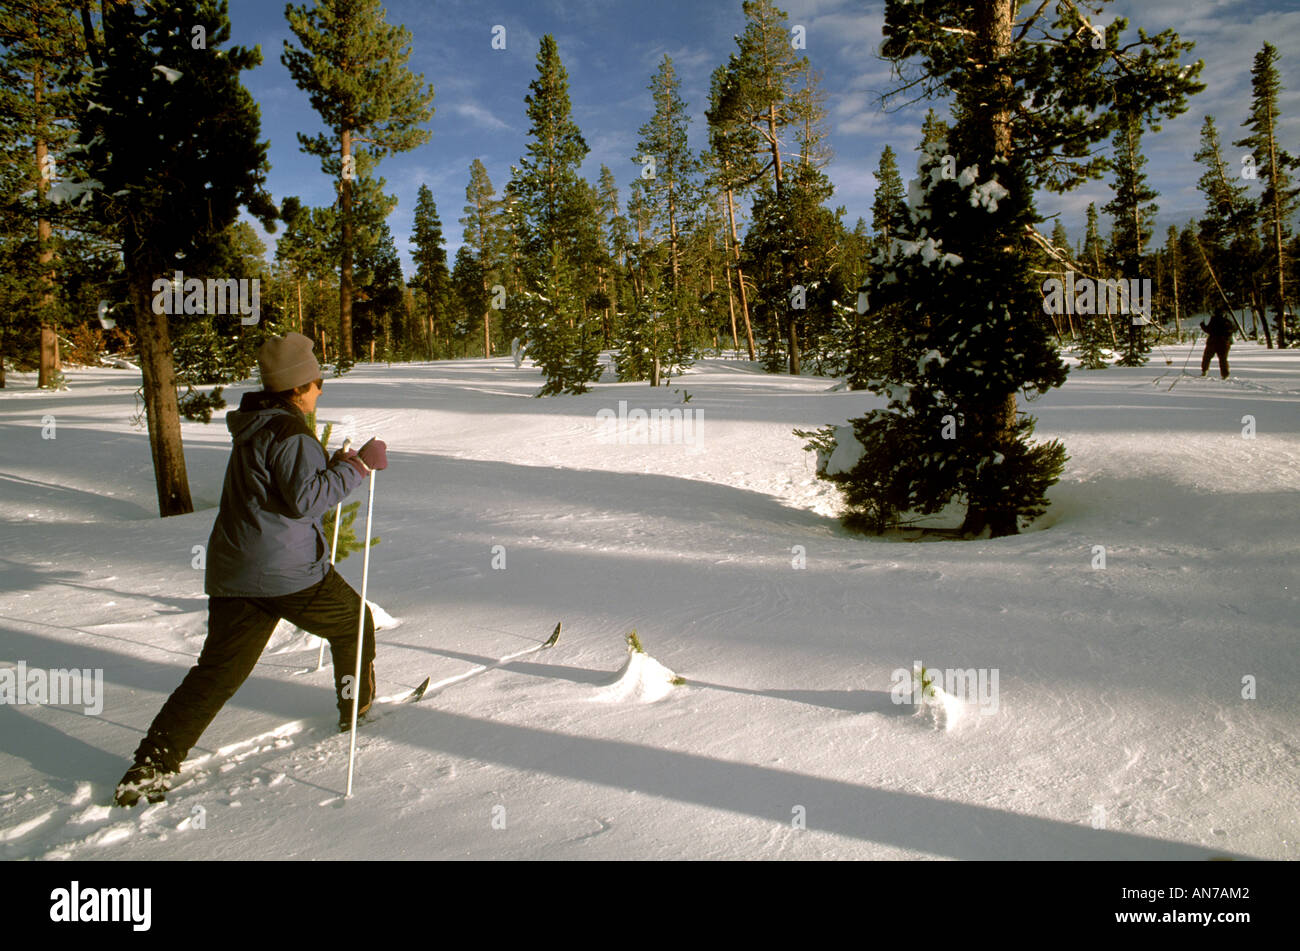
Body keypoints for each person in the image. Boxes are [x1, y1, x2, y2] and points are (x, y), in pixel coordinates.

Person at [114, 332, 388, 806]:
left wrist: (336, 465)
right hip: (287, 573)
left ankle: (152, 763)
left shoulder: (258, 425)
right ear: (298, 386)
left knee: (216, 672)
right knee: (355, 626)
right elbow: (305, 500)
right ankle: (356, 711)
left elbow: (282, 487)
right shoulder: (292, 432)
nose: (320, 390)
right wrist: (358, 467)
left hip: (234, 570)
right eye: (317, 382)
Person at [1199, 310, 1235, 379]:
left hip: (1213, 342)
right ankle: (1225, 375)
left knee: (1207, 357)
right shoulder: (1228, 321)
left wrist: (1202, 325)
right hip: (1225, 343)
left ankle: (1205, 371)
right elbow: (1234, 329)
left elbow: (1209, 330)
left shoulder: (1214, 320)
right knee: (1223, 359)